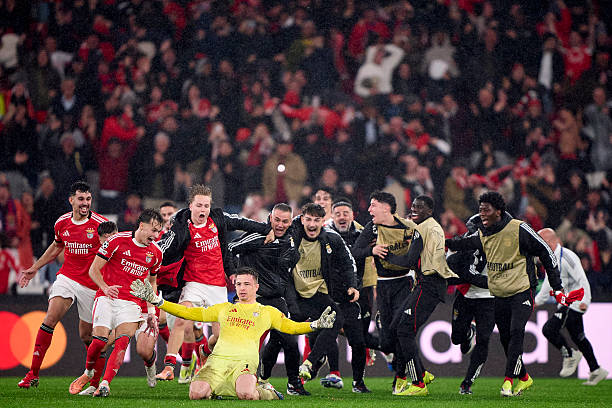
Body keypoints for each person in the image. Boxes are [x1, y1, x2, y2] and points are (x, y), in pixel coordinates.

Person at [130, 266, 337, 400]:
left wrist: (315, 325)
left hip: (244, 364)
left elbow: (291, 327)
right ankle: (214, 390)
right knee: (195, 394)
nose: (242, 288)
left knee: (246, 394)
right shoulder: (224, 309)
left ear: (256, 286)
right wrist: (159, 302)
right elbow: (189, 312)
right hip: (217, 362)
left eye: (247, 284)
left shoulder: (267, 312)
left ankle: (268, 392)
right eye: (238, 284)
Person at [446, 191, 565, 397]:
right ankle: (524, 377)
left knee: (514, 332)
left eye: (486, 210)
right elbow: (462, 248)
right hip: (495, 293)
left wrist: (556, 285)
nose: (482, 215)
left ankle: (503, 382)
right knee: (505, 339)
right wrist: (441, 241)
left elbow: (546, 251)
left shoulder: (518, 228)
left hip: (518, 291)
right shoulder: (483, 234)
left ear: (498, 211)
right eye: (480, 210)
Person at [156, 185, 274, 383]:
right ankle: (169, 366)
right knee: (181, 319)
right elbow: (163, 248)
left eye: (206, 205)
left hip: (217, 285)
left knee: (220, 336)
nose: (203, 209)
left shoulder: (217, 219)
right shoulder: (181, 226)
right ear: (190, 206)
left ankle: (204, 350)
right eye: (199, 205)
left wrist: (267, 229)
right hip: (193, 282)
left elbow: (241, 222)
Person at [18, 182, 108, 389]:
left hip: (91, 285)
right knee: (50, 318)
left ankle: (94, 379)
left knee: (87, 335)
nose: (85, 203)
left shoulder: (100, 224)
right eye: (81, 199)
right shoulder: (62, 223)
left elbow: (112, 252)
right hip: (67, 277)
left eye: (88, 199)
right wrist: (35, 268)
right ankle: (33, 373)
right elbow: (56, 246)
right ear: (71, 200)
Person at [69, 209, 164, 397]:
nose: (155, 235)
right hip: (107, 298)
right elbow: (94, 269)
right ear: (142, 225)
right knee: (99, 342)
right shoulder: (117, 240)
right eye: (153, 230)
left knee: (122, 341)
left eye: (158, 232)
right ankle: (88, 373)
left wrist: (151, 311)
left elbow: (152, 282)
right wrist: (105, 288)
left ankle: (105, 384)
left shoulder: (156, 253)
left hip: (131, 303)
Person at [228, 203, 309, 396]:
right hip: (252, 299)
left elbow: (286, 273)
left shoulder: (291, 239)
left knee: (289, 342)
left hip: (275, 299)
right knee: (241, 344)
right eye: (277, 220)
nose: (280, 225)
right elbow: (230, 247)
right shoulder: (258, 235)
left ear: (290, 222)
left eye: (285, 221)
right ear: (270, 218)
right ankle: (229, 380)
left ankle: (292, 384)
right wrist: (233, 273)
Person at [384, 196, 458, 396]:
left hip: (429, 285)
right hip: (427, 284)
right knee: (397, 326)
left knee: (404, 330)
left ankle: (417, 383)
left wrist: (386, 256)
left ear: (430, 211)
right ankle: (419, 373)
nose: (414, 209)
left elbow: (409, 260)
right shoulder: (431, 227)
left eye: (420, 207)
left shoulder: (422, 229)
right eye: (413, 206)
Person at [352, 191, 417, 392]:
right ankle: (399, 364)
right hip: (382, 285)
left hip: (404, 283)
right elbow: (355, 251)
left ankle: (401, 377)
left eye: (373, 205)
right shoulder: (372, 228)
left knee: (401, 330)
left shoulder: (408, 228)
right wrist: (371, 251)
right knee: (387, 342)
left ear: (386, 208)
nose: (369, 209)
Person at [288, 204, 359, 386]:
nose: (312, 224)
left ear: (323, 221)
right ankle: (267, 378)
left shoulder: (331, 238)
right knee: (282, 336)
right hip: (295, 295)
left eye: (317, 220)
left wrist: (352, 285)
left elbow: (347, 262)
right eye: (308, 219)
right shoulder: (291, 236)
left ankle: (310, 364)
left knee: (335, 320)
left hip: (319, 294)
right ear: (302, 220)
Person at [536, 228, 608, 385]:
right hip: (567, 303)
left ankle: (570, 355)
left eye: (539, 242)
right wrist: (537, 301)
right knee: (578, 337)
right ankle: (596, 370)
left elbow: (582, 278)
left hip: (575, 302)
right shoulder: (550, 259)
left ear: (548, 242)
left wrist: (585, 300)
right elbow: (549, 283)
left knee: (548, 329)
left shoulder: (567, 257)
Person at [446, 214, 494, 395]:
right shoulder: (464, 242)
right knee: (457, 338)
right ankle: (468, 333)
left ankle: (467, 382)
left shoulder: (502, 243)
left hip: (489, 299)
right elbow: (455, 268)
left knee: (484, 340)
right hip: (466, 294)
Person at [75, 221, 118, 396]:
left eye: (112, 236)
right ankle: (94, 384)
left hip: (127, 302)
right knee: (95, 340)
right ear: (99, 239)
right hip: (103, 298)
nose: (109, 240)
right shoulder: (99, 255)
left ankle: (99, 382)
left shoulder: (126, 249)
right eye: (105, 238)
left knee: (112, 341)